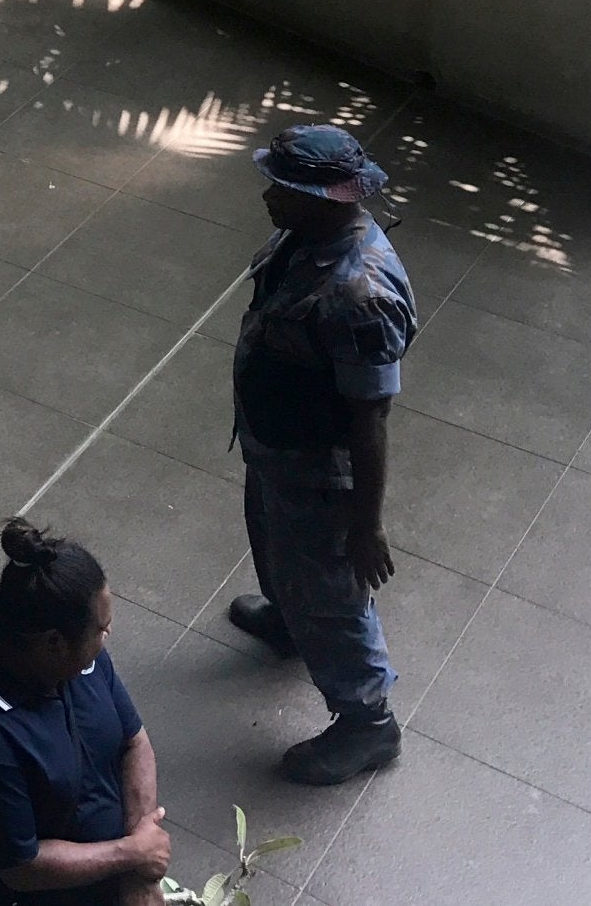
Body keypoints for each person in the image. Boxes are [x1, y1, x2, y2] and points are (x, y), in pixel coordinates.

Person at [224, 123, 420, 785]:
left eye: (284, 188)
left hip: (317, 471)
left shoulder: (359, 291)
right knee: (276, 546)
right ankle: (287, 616)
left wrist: (365, 524)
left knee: (332, 594)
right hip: (277, 446)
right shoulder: (305, 234)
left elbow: (370, 417)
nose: (269, 198)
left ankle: (368, 724)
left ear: (330, 198)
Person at [0, 519, 172, 906]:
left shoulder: (78, 657)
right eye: (102, 629)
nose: (108, 636)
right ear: (54, 644)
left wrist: (138, 871)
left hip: (117, 874)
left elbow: (134, 743)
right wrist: (133, 854)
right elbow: (22, 867)